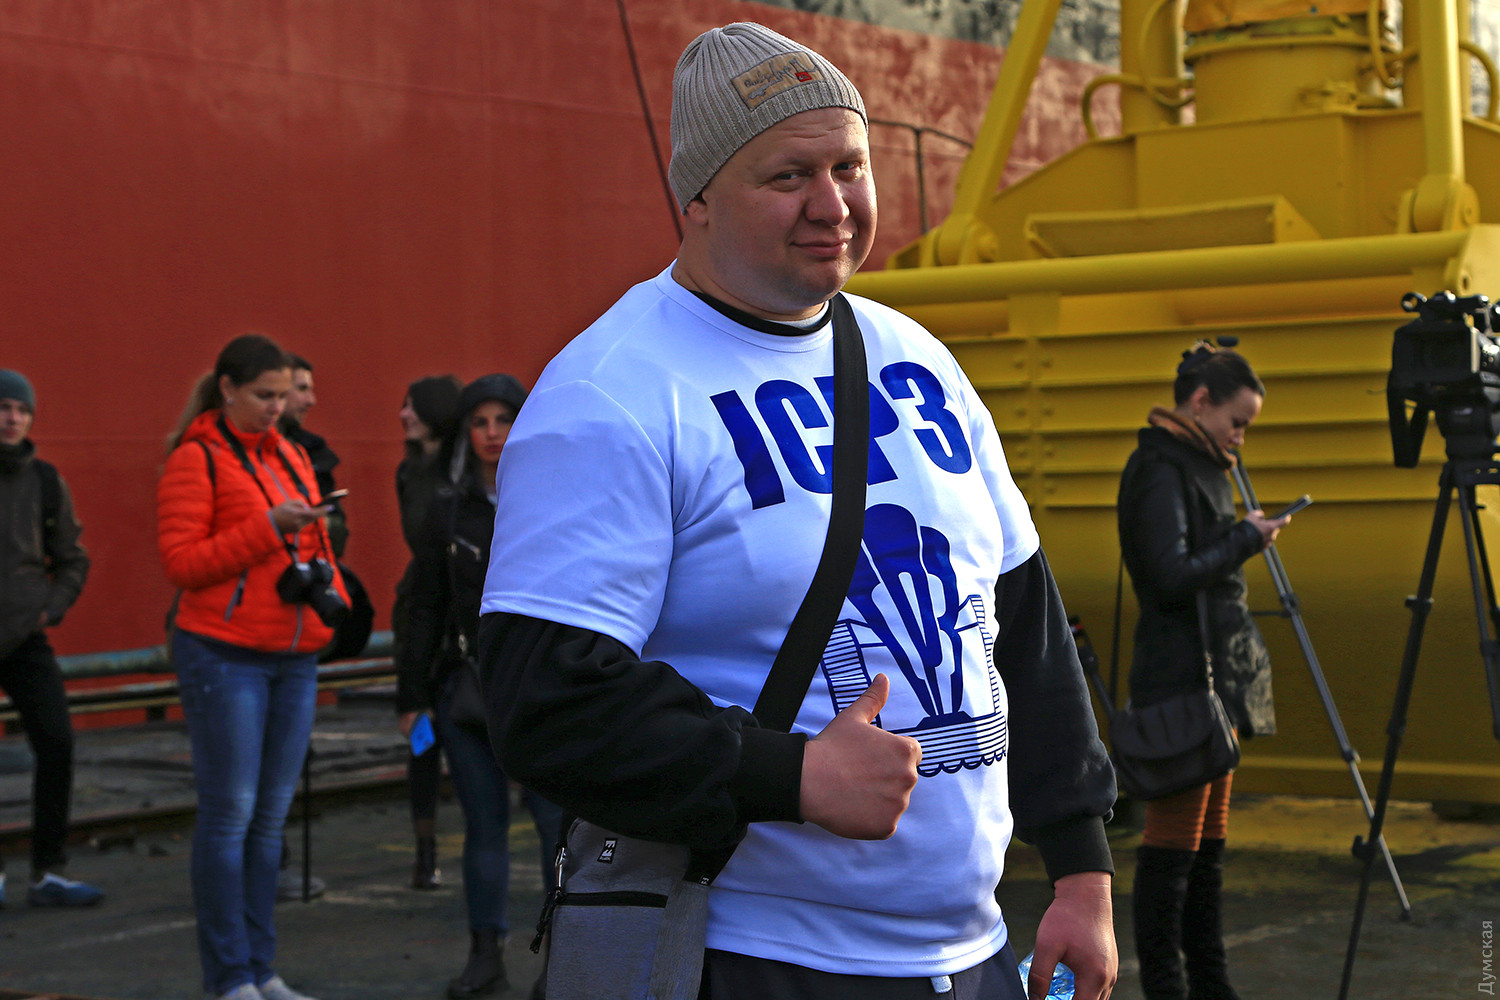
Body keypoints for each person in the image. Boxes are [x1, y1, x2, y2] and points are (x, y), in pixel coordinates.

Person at [477, 22, 1118, 1000]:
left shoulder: (918, 358)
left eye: (849, 166)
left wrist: (1081, 868)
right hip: (760, 955)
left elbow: (1022, 622)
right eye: (789, 176)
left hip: (971, 954)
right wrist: (791, 776)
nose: (833, 204)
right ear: (696, 198)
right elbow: (545, 699)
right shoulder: (613, 392)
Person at [159, 334, 348, 1000]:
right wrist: (269, 526)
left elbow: (316, 541)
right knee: (231, 815)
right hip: (224, 651)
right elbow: (183, 563)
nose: (277, 407)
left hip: (291, 652)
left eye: (282, 395)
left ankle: (261, 970)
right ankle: (230, 975)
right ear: (227, 390)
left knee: (268, 820)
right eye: (265, 395)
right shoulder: (196, 458)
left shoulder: (290, 453)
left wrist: (332, 589)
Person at [1115, 342, 1287, 1000]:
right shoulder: (1160, 468)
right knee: (1174, 847)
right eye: (1237, 422)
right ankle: (1170, 988)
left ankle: (1212, 985)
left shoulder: (1201, 465)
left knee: (1207, 847)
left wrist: (1243, 534)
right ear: (1200, 401)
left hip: (1217, 677)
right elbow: (1168, 575)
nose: (1240, 437)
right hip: (1182, 678)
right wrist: (1246, 538)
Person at [400, 375, 565, 999]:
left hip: (545, 691)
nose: (493, 434)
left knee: (557, 828)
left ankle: (561, 959)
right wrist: (412, 696)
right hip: (467, 692)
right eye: (480, 422)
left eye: (504, 420)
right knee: (483, 826)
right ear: (465, 432)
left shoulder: (554, 496)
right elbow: (423, 607)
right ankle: (484, 955)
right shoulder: (448, 511)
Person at [0, 369, 102, 909]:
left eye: (22, 410)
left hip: (25, 637)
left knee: (57, 742)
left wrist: (50, 609)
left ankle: (48, 872)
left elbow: (72, 558)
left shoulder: (43, 480)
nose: (12, 418)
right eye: (3, 408)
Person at [393, 374, 464, 891]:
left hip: (458, 611)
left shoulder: (460, 475)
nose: (404, 415)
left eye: (413, 406)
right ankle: (425, 850)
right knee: (420, 735)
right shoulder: (409, 471)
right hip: (421, 605)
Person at [278, 356, 346, 559]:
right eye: (302, 389)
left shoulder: (313, 452)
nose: (311, 400)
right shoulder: (223, 454)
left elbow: (337, 536)